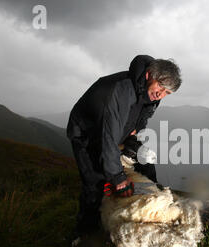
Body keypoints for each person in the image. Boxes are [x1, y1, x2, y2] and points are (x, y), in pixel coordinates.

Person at [66, 55, 181, 236]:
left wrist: (132, 139)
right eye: (160, 86)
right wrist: (118, 177)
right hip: (88, 135)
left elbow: (140, 119)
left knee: (146, 167)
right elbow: (108, 135)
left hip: (117, 133)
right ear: (148, 75)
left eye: (167, 92)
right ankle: (84, 237)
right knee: (96, 184)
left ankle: (148, 212)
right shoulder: (121, 89)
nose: (161, 94)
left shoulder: (152, 94)